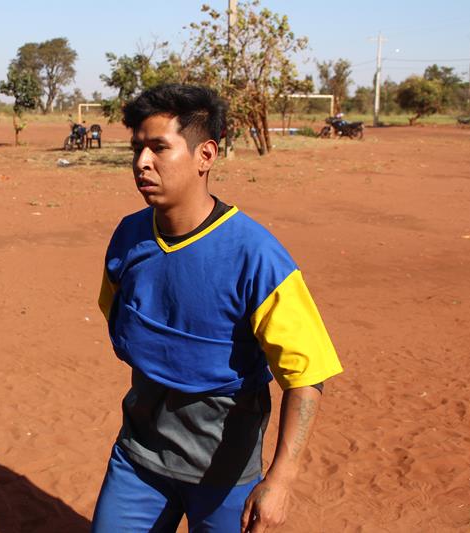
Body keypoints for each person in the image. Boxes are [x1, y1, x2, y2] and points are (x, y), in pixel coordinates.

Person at [93, 84, 343, 532]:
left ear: (205, 155)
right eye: (137, 148)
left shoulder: (258, 257)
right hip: (139, 458)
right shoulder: (128, 238)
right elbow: (119, 318)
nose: (141, 163)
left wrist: (281, 479)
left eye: (158, 148)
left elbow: (307, 377)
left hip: (224, 475)